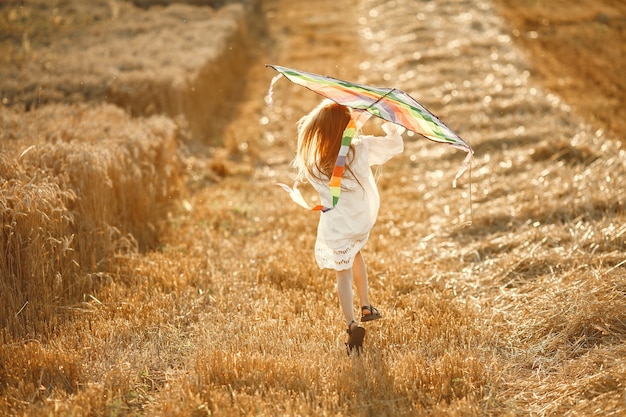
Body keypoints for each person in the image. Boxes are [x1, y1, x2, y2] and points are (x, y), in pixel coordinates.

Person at [292, 99, 405, 353]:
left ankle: (352, 324)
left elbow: (310, 173)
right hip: (359, 221)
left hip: (337, 227)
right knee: (356, 254)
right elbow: (393, 148)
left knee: (341, 273)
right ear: (348, 127)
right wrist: (392, 129)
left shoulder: (316, 165)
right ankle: (366, 305)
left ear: (319, 131)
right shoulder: (360, 148)